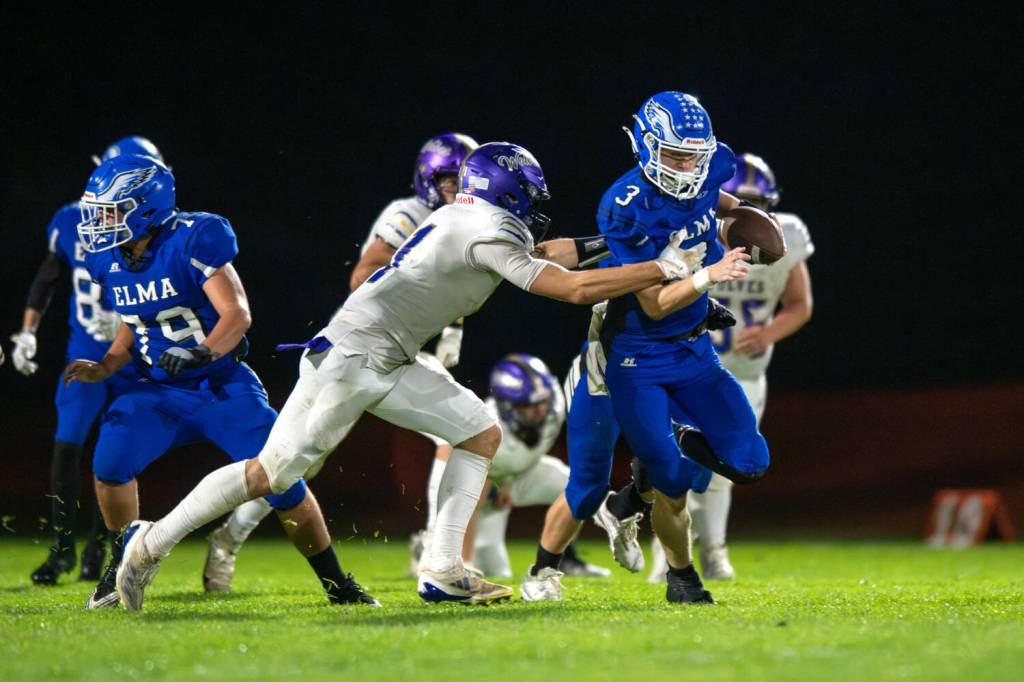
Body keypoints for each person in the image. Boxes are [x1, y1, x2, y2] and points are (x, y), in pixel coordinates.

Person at [114, 140, 710, 610]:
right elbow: (572, 288)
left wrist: (616, 244)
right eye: (525, 194)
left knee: (479, 431)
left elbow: (549, 254)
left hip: (386, 353)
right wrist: (659, 266)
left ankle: (444, 570)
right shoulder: (486, 229)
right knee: (270, 472)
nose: (531, 205)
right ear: (505, 190)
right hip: (355, 355)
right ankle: (150, 542)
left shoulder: (465, 219)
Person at [66, 153, 376, 609]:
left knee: (284, 478)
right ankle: (121, 567)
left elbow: (237, 313)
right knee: (109, 464)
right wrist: (109, 364)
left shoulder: (194, 238)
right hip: (157, 391)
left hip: (220, 385)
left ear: (147, 207)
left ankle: (337, 584)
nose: (102, 223)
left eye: (113, 211)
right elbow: (135, 317)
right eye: (101, 212)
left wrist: (205, 350)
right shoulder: (108, 259)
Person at [201, 133, 477, 592]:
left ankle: (434, 548)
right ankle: (227, 539)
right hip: (364, 351)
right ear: (427, 178)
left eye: (461, 178)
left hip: (410, 355)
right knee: (295, 463)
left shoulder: (466, 222)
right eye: (447, 178)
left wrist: (450, 326)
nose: (454, 187)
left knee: (462, 434)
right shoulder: (406, 214)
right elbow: (362, 275)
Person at [536, 91, 771, 604]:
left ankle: (633, 496)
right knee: (609, 482)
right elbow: (656, 300)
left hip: (692, 350)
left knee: (745, 463)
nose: (688, 167)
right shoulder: (623, 207)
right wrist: (711, 273)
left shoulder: (707, 173)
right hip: (628, 355)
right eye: (676, 154)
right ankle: (560, 572)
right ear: (646, 146)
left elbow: (720, 204)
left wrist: (744, 218)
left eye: (696, 155)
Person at [646, 152, 814, 582]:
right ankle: (667, 556)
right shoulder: (693, 232)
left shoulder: (787, 235)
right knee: (672, 462)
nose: (751, 216)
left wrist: (770, 332)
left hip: (744, 371)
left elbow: (799, 305)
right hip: (688, 366)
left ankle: (715, 552)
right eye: (741, 204)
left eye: (760, 206)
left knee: (727, 469)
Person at [12, 136, 157, 586]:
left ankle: (101, 549)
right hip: (86, 349)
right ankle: (61, 550)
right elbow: (49, 274)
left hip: (133, 353)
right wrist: (28, 330)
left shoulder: (159, 229)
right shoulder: (71, 221)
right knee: (68, 445)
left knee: (115, 453)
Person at [414, 353, 609, 584]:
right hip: (479, 486)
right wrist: (466, 560)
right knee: (494, 568)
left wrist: (506, 480)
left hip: (513, 475)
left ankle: (565, 556)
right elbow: (475, 489)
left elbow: (523, 453)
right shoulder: (489, 426)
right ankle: (431, 546)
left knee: (575, 485)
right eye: (529, 405)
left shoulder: (555, 401)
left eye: (541, 401)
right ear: (508, 406)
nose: (539, 410)